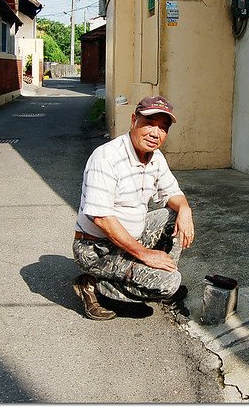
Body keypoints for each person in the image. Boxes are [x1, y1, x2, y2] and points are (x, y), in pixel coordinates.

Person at [72, 96, 195, 320]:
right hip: (96, 249)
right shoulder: (107, 157)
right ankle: (93, 284)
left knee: (174, 214)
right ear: (133, 121)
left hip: (131, 240)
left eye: (163, 128)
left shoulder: (156, 158)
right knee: (170, 284)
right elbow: (101, 217)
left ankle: (152, 276)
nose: (155, 133)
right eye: (149, 123)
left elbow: (173, 194)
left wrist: (186, 210)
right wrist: (146, 255)